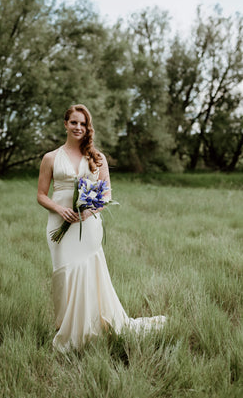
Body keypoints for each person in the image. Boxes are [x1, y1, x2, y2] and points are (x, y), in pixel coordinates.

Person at [37, 104, 166, 351]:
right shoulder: (50, 158)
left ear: (88, 127)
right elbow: (41, 195)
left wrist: (90, 210)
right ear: (65, 124)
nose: (78, 127)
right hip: (59, 225)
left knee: (88, 272)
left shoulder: (97, 158)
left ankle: (88, 328)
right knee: (64, 274)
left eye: (83, 124)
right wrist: (59, 209)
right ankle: (65, 326)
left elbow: (106, 193)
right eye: (74, 122)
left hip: (89, 225)